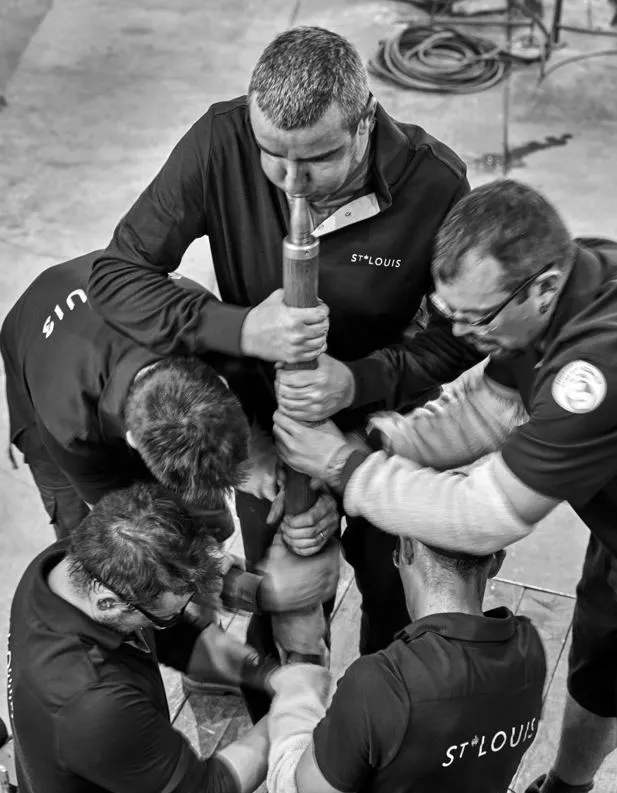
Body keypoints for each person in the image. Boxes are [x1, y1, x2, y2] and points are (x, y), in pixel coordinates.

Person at [86, 25, 480, 675]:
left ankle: (374, 716)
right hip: (266, 428)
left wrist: (356, 380)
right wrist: (239, 329)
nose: (292, 184)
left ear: (364, 122)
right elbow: (118, 275)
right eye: (274, 157)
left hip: (386, 428)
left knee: (392, 592)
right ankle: (288, 739)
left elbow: (460, 333)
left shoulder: (435, 184)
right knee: (286, 600)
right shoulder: (220, 140)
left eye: (317, 160)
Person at [273, 178, 617, 793]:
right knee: (601, 663)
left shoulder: (598, 362)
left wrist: (347, 471)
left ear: (541, 288)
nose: (461, 337)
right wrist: (381, 444)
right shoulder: (567, 279)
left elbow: (483, 513)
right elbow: (481, 410)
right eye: (448, 314)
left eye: (477, 319)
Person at [0, 251, 340, 692]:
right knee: (104, 556)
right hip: (39, 345)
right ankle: (188, 638)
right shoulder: (71, 424)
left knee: (208, 521)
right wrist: (250, 591)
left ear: (218, 385)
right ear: (136, 445)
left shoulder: (205, 325)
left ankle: (201, 625)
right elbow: (131, 536)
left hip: (111, 309)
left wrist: (258, 454)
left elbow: (255, 417)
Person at [7, 481, 322, 793]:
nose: (177, 617)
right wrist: (291, 708)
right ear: (108, 602)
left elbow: (175, 637)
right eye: (167, 611)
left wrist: (268, 675)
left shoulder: (67, 565)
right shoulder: (90, 702)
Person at [264, 536, 546, 793]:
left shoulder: (381, 685)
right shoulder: (530, 650)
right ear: (497, 560)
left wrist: (298, 694)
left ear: (406, 549)